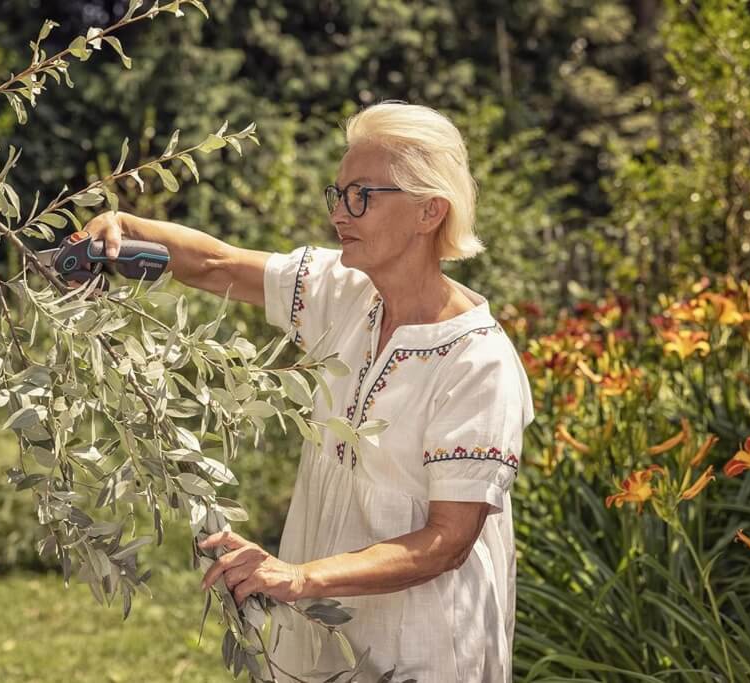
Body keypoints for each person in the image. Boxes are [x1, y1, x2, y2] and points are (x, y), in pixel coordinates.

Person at [83, 101, 535, 682]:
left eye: (362, 197)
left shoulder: (476, 361)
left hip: (426, 645)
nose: (340, 214)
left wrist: (297, 578)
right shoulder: (346, 293)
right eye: (339, 194)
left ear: (429, 211)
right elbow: (218, 263)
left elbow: (446, 542)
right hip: (323, 630)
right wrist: (126, 227)